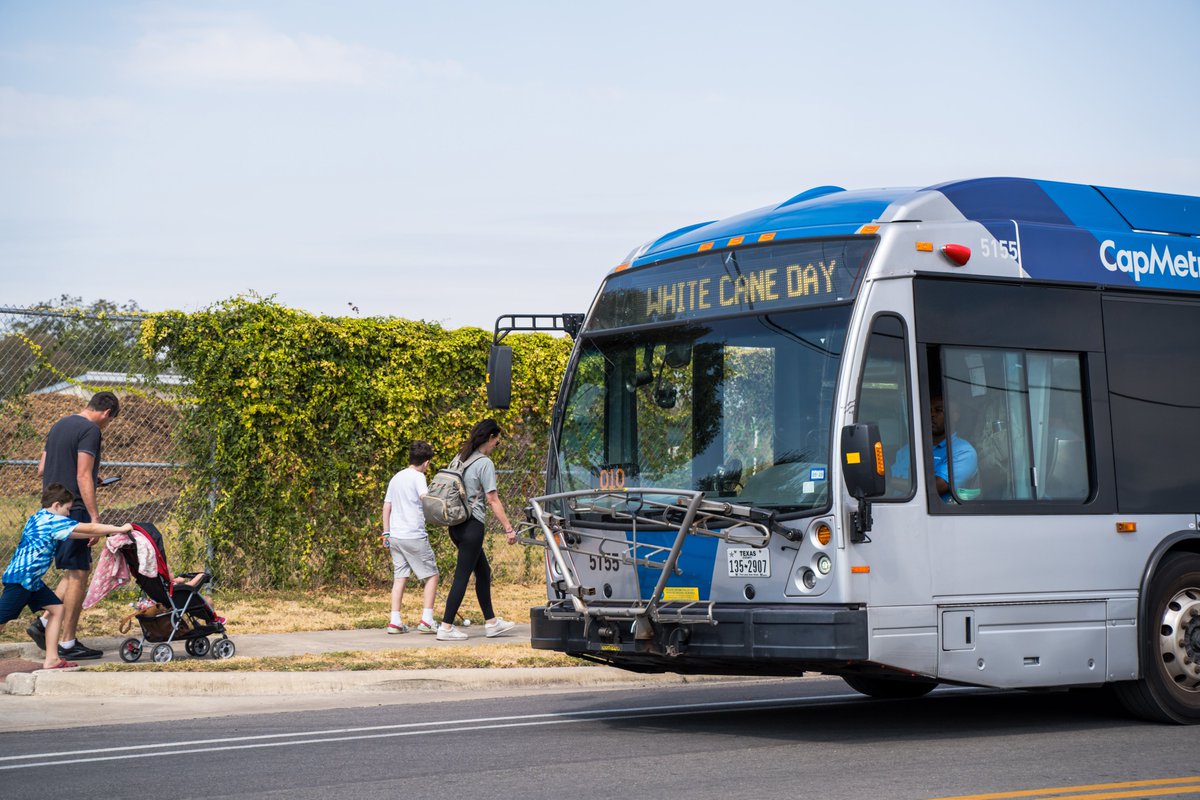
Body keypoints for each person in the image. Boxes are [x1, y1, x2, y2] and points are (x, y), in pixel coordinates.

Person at [28, 390, 120, 660]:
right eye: (109, 420)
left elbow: (42, 468)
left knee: (72, 569)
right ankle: (67, 642)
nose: (106, 424)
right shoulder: (90, 430)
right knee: (80, 572)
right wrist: (94, 517)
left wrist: (93, 475)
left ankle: (45, 622)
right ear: (106, 413)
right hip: (74, 508)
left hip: (52, 507)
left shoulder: (60, 424)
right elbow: (81, 475)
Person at [1, 484, 131, 669]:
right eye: (67, 509)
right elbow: (91, 527)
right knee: (1, 621)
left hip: (32, 581)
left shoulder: (39, 517)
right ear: (56, 505)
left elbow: (75, 533)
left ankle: (52, 659)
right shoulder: (54, 521)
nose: (69, 514)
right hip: (21, 580)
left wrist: (106, 533)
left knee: (57, 609)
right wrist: (120, 528)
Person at [437, 419, 518, 642]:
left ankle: (491, 622)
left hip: (455, 525)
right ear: (490, 438)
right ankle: (446, 626)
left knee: (483, 572)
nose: (496, 446)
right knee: (462, 576)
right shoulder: (484, 463)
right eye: (497, 442)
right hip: (472, 525)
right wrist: (508, 529)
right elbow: (493, 499)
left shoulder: (460, 458)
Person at [381, 440, 439, 634]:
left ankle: (395, 621)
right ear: (426, 462)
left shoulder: (396, 477)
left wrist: (386, 532)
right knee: (432, 575)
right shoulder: (418, 477)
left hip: (395, 536)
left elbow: (387, 506)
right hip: (413, 535)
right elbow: (425, 499)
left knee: (400, 577)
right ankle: (427, 620)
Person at [892, 394, 978, 503]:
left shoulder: (964, 452)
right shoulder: (906, 450)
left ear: (955, 416)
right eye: (929, 410)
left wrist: (888, 482)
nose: (931, 414)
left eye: (938, 410)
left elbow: (936, 487)